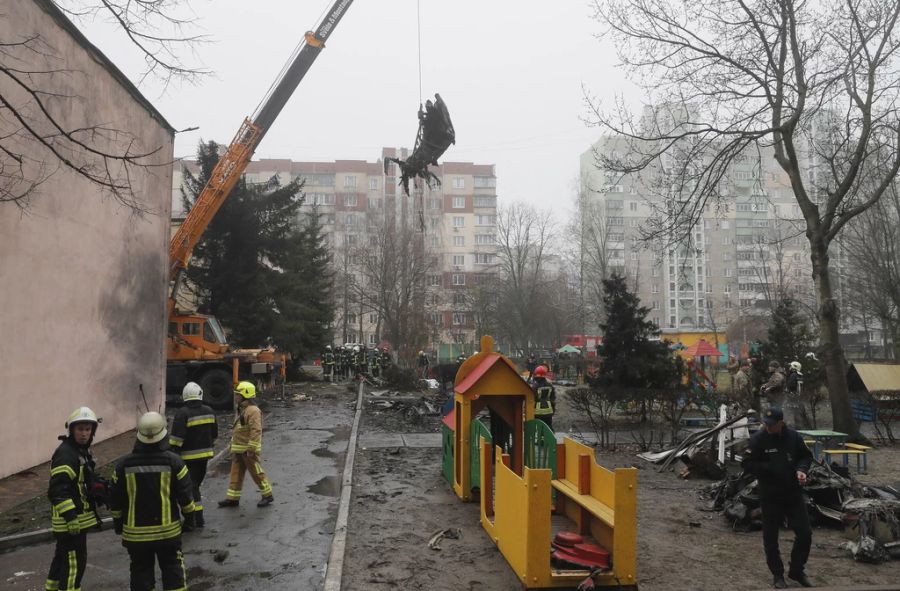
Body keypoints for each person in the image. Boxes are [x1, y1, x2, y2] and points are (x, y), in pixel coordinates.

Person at [109, 412, 196, 591]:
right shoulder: (175, 463)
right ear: (163, 434)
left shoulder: (123, 465)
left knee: (141, 574)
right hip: (168, 534)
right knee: (173, 572)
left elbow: (115, 500)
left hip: (135, 535)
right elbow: (186, 497)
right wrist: (190, 520)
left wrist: (118, 523)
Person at [741, 407, 814, 589]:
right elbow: (747, 463)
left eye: (772, 425)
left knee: (805, 534)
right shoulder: (759, 439)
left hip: (793, 493)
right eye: (766, 423)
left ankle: (797, 570)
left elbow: (806, 457)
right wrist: (771, 469)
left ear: (781, 423)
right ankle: (777, 575)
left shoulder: (794, 437)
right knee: (770, 537)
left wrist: (801, 470)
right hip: (770, 494)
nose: (768, 427)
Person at [45, 407, 102, 591]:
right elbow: (57, 490)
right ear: (71, 430)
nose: (84, 434)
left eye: (88, 429)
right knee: (74, 566)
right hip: (70, 523)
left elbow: (78, 482)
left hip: (75, 521)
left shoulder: (80, 451)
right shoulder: (66, 454)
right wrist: (70, 517)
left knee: (62, 560)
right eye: (80, 429)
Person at [168, 381, 218, 530]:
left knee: (191, 488)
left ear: (185, 396)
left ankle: (195, 520)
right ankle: (196, 518)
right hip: (204, 457)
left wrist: (170, 451)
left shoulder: (182, 413)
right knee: (195, 486)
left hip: (187, 458)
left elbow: (177, 439)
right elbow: (214, 434)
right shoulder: (210, 410)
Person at [218, 381, 274, 508]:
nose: (235, 397)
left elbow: (256, 430)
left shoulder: (253, 410)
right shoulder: (242, 409)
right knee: (235, 473)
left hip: (248, 449)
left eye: (238, 394)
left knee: (256, 473)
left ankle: (267, 495)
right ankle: (232, 498)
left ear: (245, 395)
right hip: (239, 448)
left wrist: (252, 448)